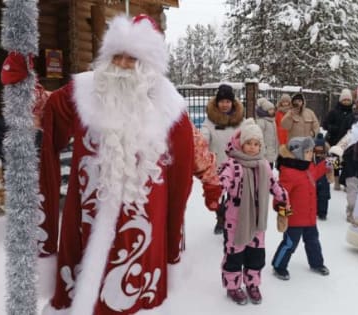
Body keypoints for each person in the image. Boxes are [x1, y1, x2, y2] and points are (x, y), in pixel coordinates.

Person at [22, 15, 222, 315]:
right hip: (86, 222)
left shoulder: (171, 110)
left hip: (144, 229)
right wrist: (23, 84)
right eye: (117, 56)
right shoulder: (82, 92)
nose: (123, 65)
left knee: (135, 299)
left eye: (133, 58)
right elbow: (46, 112)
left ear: (148, 66)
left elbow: (192, 161)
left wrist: (212, 185)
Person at [218, 118, 289, 305]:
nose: (252, 147)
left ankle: (252, 283)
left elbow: (275, 186)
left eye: (256, 144)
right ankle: (233, 286)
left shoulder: (263, 165)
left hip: (258, 222)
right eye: (248, 143)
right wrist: (217, 188)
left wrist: (283, 201)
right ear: (241, 144)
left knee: (255, 255)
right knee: (234, 255)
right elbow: (222, 181)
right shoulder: (232, 165)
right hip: (236, 221)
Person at [272, 136, 332, 281]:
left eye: (311, 151)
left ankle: (317, 263)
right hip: (294, 219)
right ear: (298, 153)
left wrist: (332, 161)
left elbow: (318, 171)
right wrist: (283, 214)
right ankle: (279, 266)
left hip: (310, 217)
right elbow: (279, 197)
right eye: (308, 151)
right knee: (289, 244)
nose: (311, 154)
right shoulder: (289, 173)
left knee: (313, 242)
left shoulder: (308, 167)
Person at [201, 84, 244, 234]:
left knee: (234, 194)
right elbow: (204, 136)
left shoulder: (240, 120)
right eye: (222, 101)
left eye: (227, 101)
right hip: (216, 165)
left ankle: (231, 219)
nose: (224, 105)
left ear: (232, 102)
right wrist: (202, 141)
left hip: (236, 165)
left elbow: (246, 137)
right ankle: (220, 217)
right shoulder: (210, 121)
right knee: (216, 195)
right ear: (217, 103)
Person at [333, 91, 358, 223]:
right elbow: (343, 134)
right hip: (351, 156)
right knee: (352, 184)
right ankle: (352, 210)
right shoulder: (351, 118)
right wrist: (340, 147)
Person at [322, 88, 354, 190]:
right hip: (334, 141)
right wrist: (333, 128)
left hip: (347, 142)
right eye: (344, 100)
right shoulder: (334, 112)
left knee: (346, 163)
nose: (346, 102)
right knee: (334, 161)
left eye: (348, 100)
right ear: (340, 100)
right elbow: (325, 124)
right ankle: (335, 181)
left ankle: (344, 182)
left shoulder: (353, 113)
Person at [255, 97, 278, 168]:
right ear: (265, 111)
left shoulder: (272, 121)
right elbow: (258, 137)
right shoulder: (262, 121)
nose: (272, 111)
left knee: (270, 169)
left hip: (271, 150)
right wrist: (263, 150)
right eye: (270, 110)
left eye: (273, 109)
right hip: (264, 152)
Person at [313, 133, 331, 220]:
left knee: (314, 195)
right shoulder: (328, 158)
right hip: (324, 179)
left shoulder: (312, 158)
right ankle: (322, 213)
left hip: (314, 178)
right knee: (323, 196)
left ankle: (315, 211)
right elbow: (335, 168)